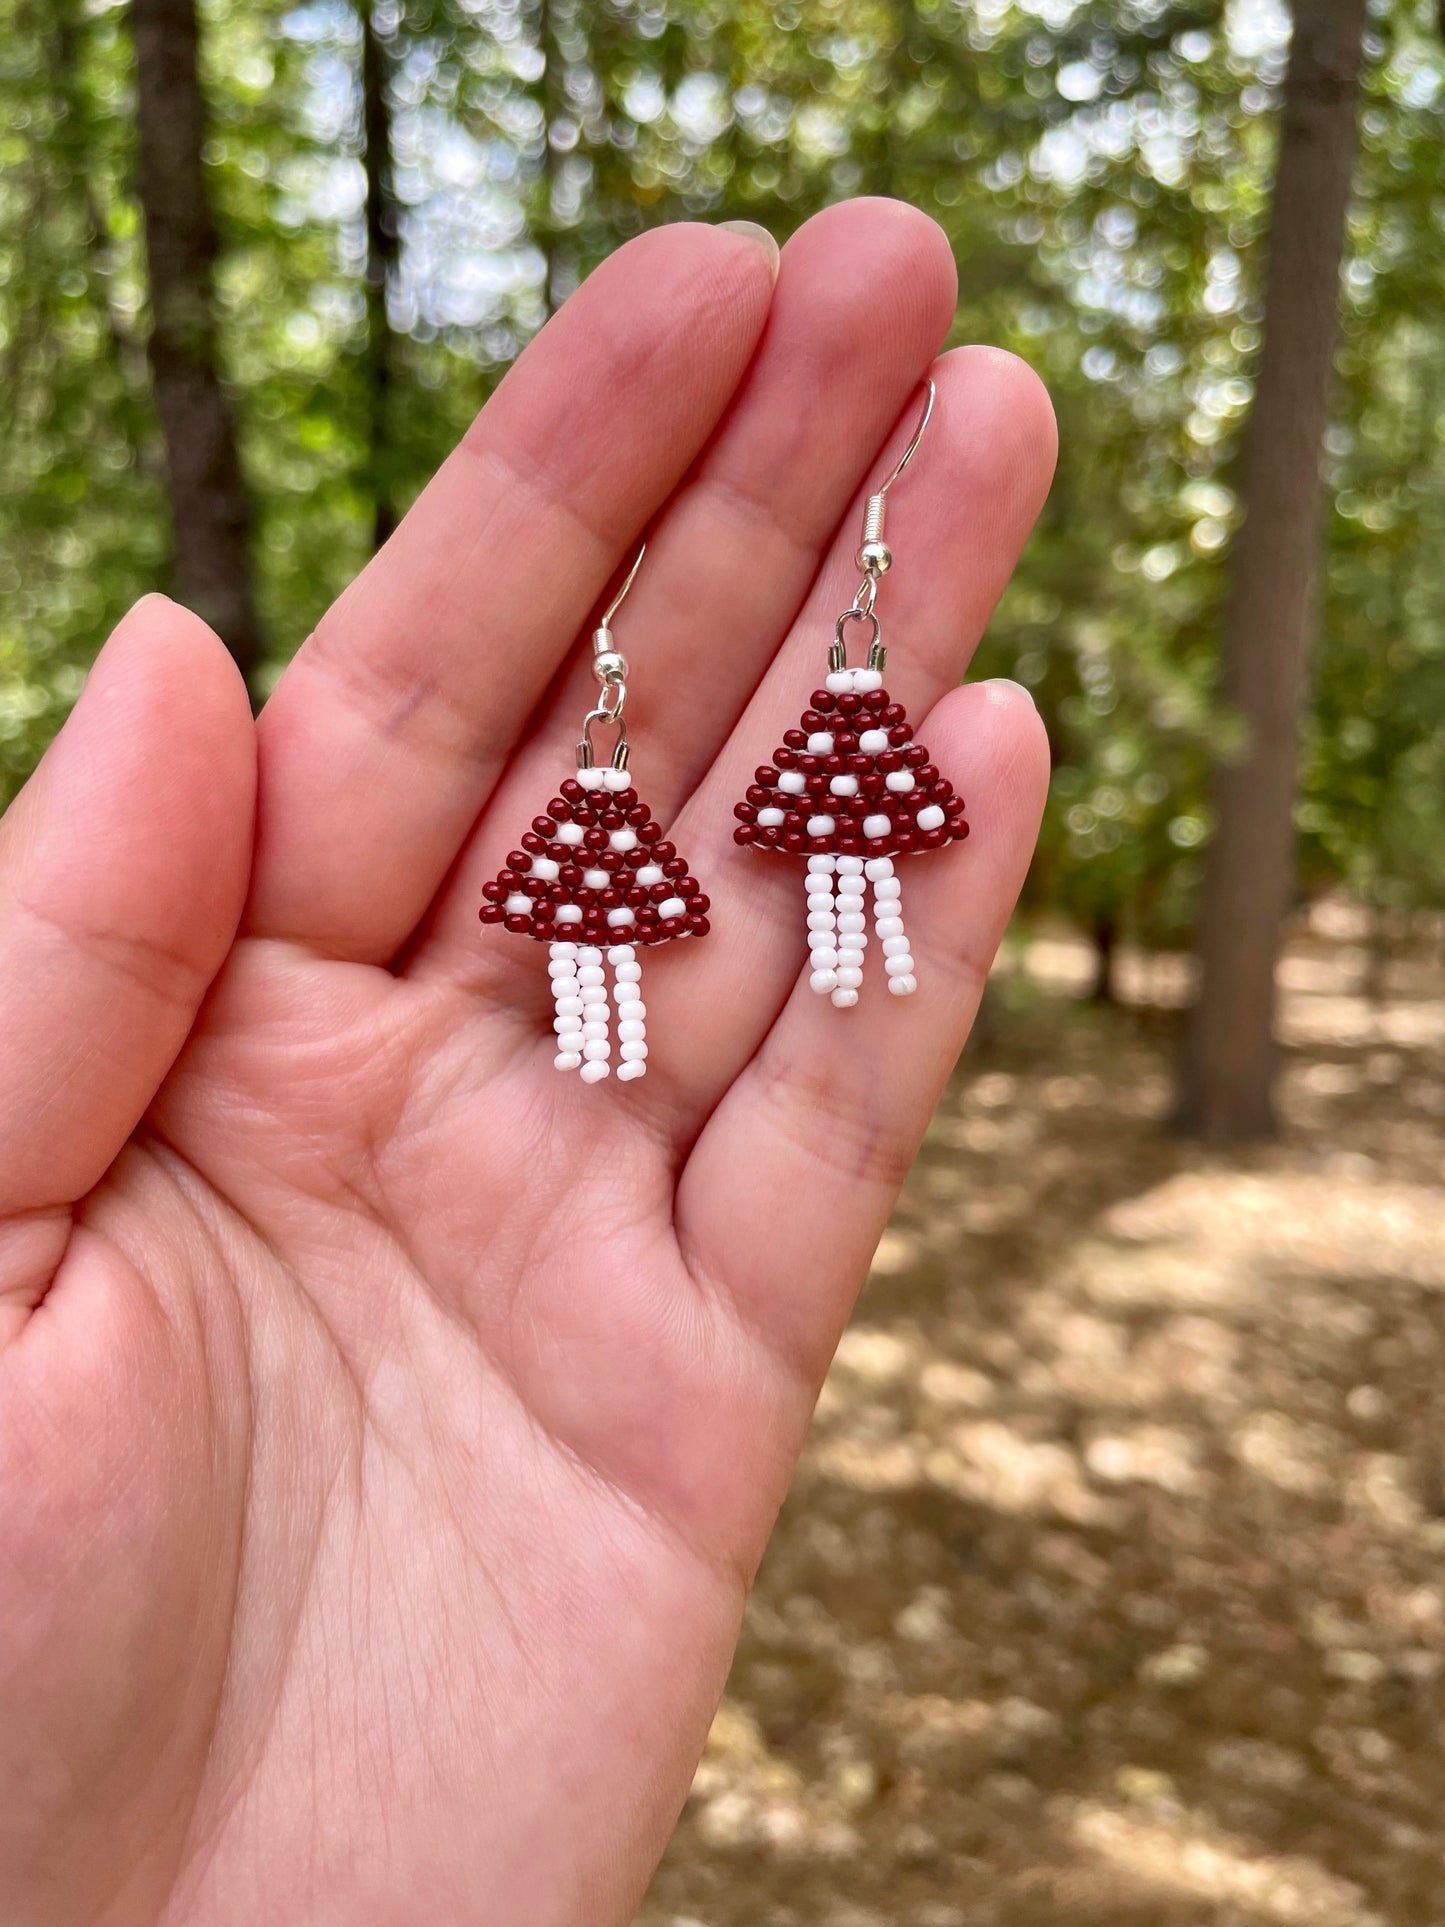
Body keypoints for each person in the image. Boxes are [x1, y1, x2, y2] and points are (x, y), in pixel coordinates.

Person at [0, 199, 1054, 1925]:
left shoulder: (728, 766)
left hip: (730, 857)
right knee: (618, 996)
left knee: (820, 923)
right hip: (608, 914)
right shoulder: (585, 825)